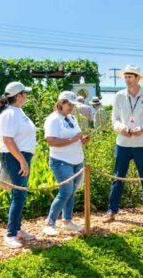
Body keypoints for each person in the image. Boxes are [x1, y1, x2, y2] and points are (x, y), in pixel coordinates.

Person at [103, 65, 143, 225]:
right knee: (117, 178)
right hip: (123, 144)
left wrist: (142, 129)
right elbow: (114, 119)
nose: (127, 79)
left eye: (130, 76)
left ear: (138, 78)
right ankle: (111, 211)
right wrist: (121, 128)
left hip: (142, 144)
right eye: (126, 76)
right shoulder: (119, 96)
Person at [42, 91, 90, 236]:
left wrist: (83, 140)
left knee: (72, 191)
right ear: (61, 103)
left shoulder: (72, 118)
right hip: (61, 161)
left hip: (77, 160)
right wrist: (73, 140)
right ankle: (50, 223)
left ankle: (67, 221)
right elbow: (50, 141)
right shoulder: (53, 119)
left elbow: (77, 137)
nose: (72, 107)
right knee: (65, 192)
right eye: (69, 104)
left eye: (73, 105)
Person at [0, 81, 37, 249]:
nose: (26, 96)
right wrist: (21, 160)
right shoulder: (9, 114)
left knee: (20, 195)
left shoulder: (18, 112)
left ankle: (17, 230)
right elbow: (8, 140)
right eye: (24, 93)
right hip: (14, 157)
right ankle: (11, 234)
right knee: (19, 195)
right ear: (19, 95)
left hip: (20, 156)